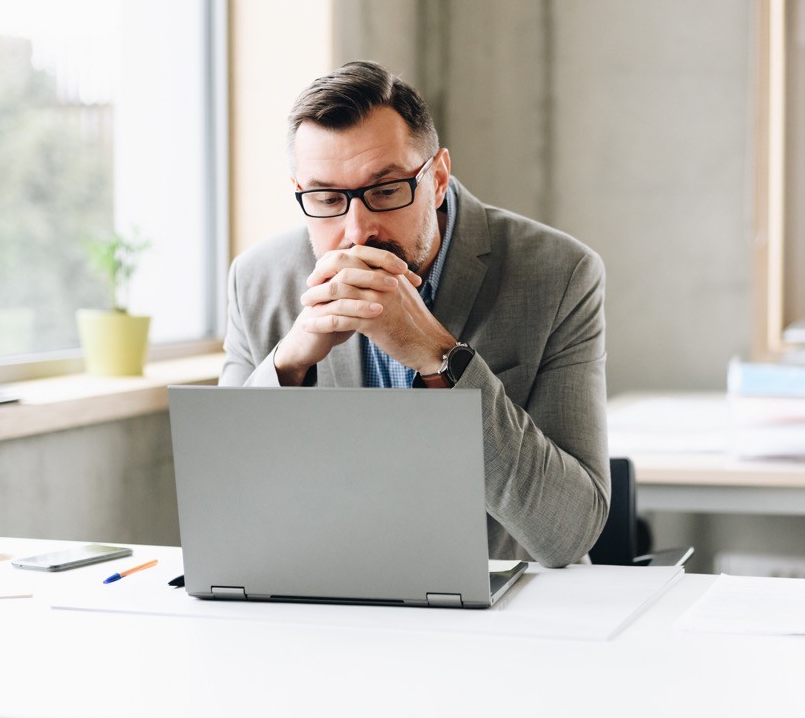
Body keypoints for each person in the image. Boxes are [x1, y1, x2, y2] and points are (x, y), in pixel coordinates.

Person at [220, 60, 609, 568]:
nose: (357, 230)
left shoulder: (560, 275)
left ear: (439, 178)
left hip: (506, 616)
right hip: (327, 607)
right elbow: (224, 504)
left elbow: (569, 533)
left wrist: (440, 356)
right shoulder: (257, 281)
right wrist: (288, 365)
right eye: (326, 197)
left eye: (384, 191)